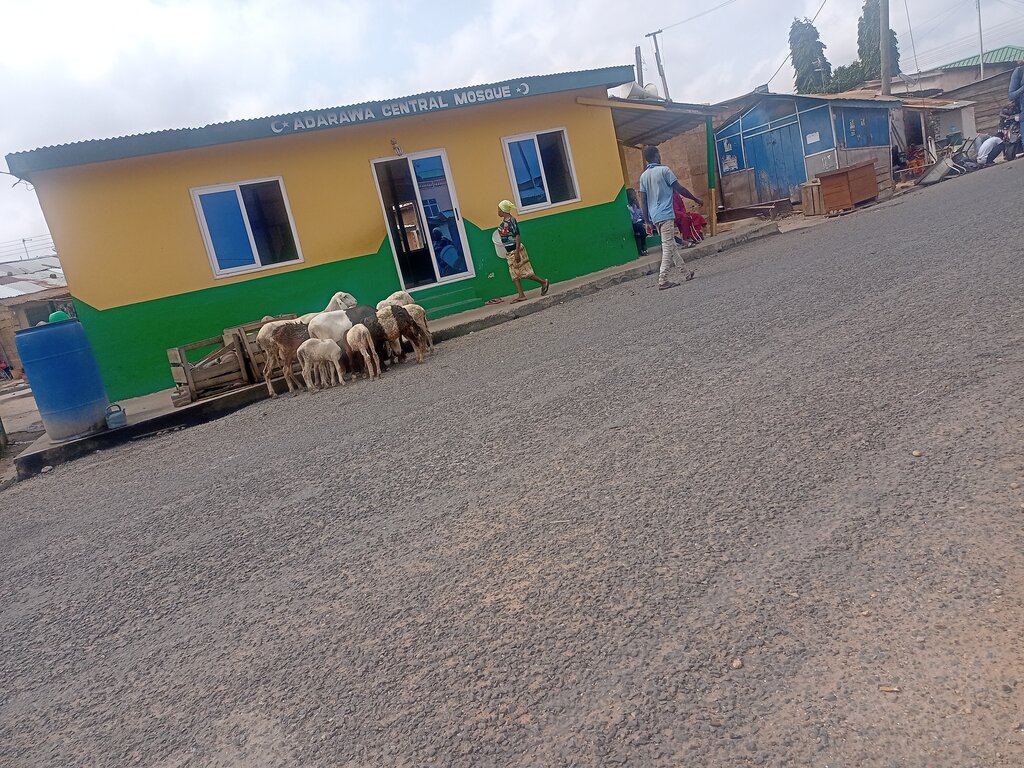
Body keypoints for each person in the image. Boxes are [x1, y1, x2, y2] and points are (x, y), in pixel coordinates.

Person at [638, 146, 704, 290]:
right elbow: (680, 189)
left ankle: (686, 272)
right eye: (659, 154)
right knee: (667, 248)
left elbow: (643, 200)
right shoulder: (664, 171)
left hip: (655, 217)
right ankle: (663, 280)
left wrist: (647, 221)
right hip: (666, 214)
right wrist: (695, 199)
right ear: (657, 155)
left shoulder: (643, 177)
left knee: (671, 246)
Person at [496, 199, 550, 303]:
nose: (498, 211)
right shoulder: (504, 223)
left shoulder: (512, 221)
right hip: (510, 252)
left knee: (524, 272)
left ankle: (543, 282)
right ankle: (521, 295)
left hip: (516, 250)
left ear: (503, 210)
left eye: (499, 209)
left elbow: (517, 236)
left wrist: (517, 252)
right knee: (514, 274)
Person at [626, 188, 647, 256]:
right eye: (634, 194)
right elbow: (633, 220)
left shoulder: (635, 204)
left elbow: (642, 215)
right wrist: (636, 211)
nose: (635, 195)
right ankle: (643, 246)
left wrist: (646, 221)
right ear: (630, 196)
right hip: (634, 224)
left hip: (639, 222)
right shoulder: (628, 207)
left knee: (650, 224)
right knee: (641, 228)